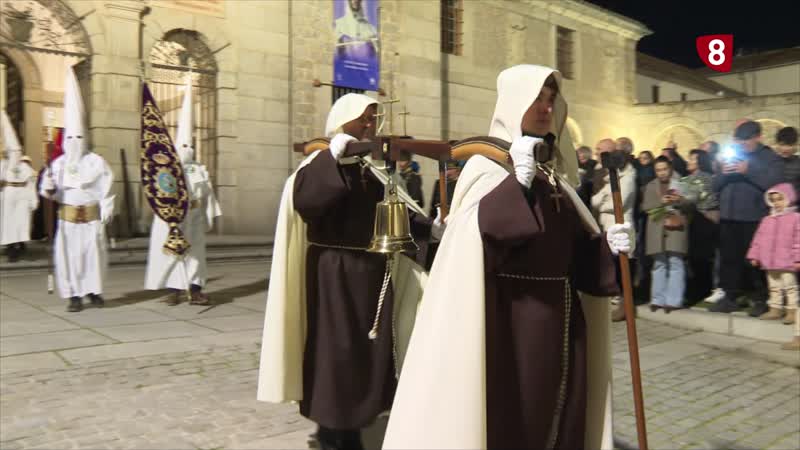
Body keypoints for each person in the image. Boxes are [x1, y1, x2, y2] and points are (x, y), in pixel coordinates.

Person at [382, 65, 633, 450]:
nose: (546, 108)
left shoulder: (554, 175)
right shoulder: (487, 167)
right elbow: (475, 239)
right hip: (509, 322)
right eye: (538, 99)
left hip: (562, 320)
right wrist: (516, 184)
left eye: (551, 100)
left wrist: (607, 248)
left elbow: (572, 252)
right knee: (514, 418)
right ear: (515, 102)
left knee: (557, 413)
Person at [257, 93, 436, 450]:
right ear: (343, 122)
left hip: (370, 278)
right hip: (333, 277)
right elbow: (308, 202)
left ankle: (353, 423)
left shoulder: (371, 172)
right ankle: (332, 430)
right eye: (364, 119)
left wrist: (430, 230)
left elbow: (394, 214)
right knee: (335, 355)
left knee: (365, 356)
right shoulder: (318, 165)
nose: (370, 125)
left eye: (373, 119)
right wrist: (333, 160)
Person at [40, 67, 114, 312]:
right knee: (70, 258)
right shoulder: (58, 164)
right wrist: (49, 188)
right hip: (69, 220)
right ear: (66, 138)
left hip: (91, 219)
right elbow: (48, 192)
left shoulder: (96, 162)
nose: (75, 143)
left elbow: (107, 189)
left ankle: (94, 291)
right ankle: (73, 296)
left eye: (79, 138)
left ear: (85, 138)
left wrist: (106, 213)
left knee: (94, 257)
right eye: (71, 138)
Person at [144, 77, 222, 306]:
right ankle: (174, 291)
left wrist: (210, 215)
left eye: (190, 146)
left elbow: (207, 193)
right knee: (174, 253)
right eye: (183, 146)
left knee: (196, 255)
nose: (187, 150)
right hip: (175, 217)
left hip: (195, 217)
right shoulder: (166, 170)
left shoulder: (199, 170)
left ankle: (195, 290)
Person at [710, 120, 784, 315]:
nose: (742, 145)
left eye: (746, 140)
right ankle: (730, 297)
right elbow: (714, 186)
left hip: (755, 218)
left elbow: (774, 183)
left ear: (758, 137)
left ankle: (760, 298)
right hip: (729, 217)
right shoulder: (732, 156)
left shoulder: (769, 157)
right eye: (739, 140)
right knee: (729, 259)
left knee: (756, 261)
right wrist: (723, 174)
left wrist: (748, 171)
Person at [591, 138, 637, 322]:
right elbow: (595, 201)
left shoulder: (629, 176)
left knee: (621, 266)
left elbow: (619, 202)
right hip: (606, 226)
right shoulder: (609, 175)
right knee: (610, 266)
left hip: (621, 227)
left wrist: (603, 200)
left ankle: (624, 306)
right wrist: (604, 197)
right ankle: (614, 302)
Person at [746, 183, 799, 325]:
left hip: (787, 261)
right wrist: (754, 255)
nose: (776, 203)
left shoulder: (795, 218)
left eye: (780, 199)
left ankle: (792, 311)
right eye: (773, 200)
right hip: (769, 261)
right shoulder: (767, 220)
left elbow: (798, 240)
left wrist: (798, 259)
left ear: (789, 199)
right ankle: (775, 309)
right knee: (774, 286)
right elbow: (758, 239)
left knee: (790, 287)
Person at [642, 156, 689, 312]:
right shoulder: (651, 186)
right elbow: (646, 206)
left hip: (676, 228)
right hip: (657, 228)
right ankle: (657, 299)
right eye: (658, 170)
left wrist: (681, 200)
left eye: (664, 169)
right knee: (659, 264)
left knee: (676, 262)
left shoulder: (681, 182)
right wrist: (661, 201)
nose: (661, 173)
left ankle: (674, 301)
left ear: (670, 168)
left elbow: (692, 203)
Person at [1, 110, 38, 262]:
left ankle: (20, 245)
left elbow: (31, 184)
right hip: (9, 195)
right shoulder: (3, 165)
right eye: (13, 152)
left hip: (22, 195)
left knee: (22, 222)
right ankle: (11, 249)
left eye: (17, 152)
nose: (15, 154)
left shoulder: (25, 167)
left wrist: (33, 200)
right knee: (9, 223)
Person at [683, 149, 719, 305]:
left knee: (700, 258)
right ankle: (698, 289)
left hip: (703, 220)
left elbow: (693, 198)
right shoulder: (688, 179)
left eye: (692, 159)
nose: (688, 161)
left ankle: (701, 290)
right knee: (696, 258)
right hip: (696, 221)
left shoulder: (702, 178)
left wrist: (678, 197)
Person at [775, 126, 799, 193]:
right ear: (777, 145)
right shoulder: (770, 161)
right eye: (782, 144)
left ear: (796, 145)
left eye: (789, 145)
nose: (785, 149)